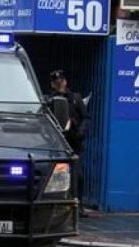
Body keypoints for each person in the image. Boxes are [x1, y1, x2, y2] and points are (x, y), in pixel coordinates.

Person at [49, 70, 90, 217]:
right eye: (56, 83)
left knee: (77, 175)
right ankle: (58, 205)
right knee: (56, 175)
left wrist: (80, 130)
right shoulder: (49, 100)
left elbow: (86, 117)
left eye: (61, 81)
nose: (59, 84)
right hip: (58, 143)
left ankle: (78, 205)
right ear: (52, 85)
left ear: (65, 82)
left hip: (75, 143)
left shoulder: (75, 98)